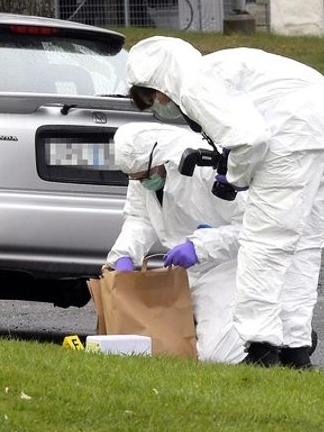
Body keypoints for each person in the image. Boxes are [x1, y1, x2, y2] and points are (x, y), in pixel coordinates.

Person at [125, 36, 324, 369]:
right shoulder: (215, 68)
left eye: (153, 96)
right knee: (304, 243)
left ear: (160, 81)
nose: (159, 103)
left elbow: (251, 139)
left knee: (264, 242)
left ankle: (261, 349)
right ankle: (295, 349)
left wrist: (234, 176)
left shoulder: (191, 85)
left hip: (293, 128)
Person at [106, 122, 247, 364]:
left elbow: (252, 228)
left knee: (218, 356)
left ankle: (288, 336)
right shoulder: (142, 168)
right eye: (134, 178)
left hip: (227, 267)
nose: (141, 183)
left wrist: (200, 247)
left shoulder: (205, 167)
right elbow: (140, 217)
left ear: (162, 158)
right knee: (170, 347)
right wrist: (125, 255)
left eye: (145, 176)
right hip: (186, 272)